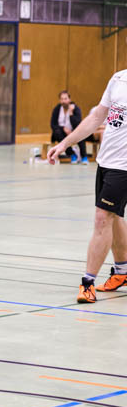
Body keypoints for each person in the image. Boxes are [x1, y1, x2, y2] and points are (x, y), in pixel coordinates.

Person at [47, 70, 127, 302]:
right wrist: (64, 144)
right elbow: (96, 118)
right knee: (114, 216)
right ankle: (122, 272)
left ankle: (87, 283)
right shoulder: (118, 79)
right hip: (106, 162)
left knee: (103, 218)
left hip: (123, 167)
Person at [50, 90, 88, 163]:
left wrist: (71, 113)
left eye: (65, 99)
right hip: (61, 133)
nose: (63, 101)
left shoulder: (75, 108)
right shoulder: (57, 109)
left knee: (80, 133)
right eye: (62, 99)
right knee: (57, 132)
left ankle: (84, 156)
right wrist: (63, 128)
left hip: (74, 131)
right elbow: (53, 124)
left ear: (69, 99)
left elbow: (78, 124)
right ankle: (72, 154)